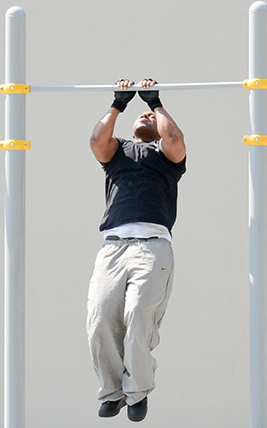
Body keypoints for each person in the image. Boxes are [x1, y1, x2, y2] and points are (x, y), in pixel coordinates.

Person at [86, 78, 186, 422]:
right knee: (100, 320)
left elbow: (173, 138)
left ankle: (138, 390)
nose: (145, 116)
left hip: (152, 248)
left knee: (139, 317)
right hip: (113, 248)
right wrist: (119, 104)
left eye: (151, 117)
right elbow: (97, 139)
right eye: (140, 115)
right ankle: (112, 391)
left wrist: (156, 103)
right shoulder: (117, 153)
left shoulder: (167, 156)